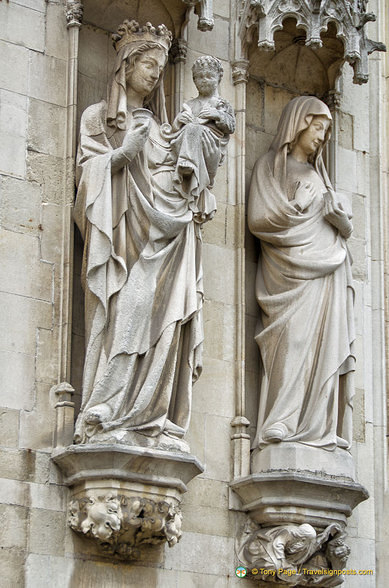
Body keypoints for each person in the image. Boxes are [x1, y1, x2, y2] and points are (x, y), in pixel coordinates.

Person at [73, 20, 220, 450]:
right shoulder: (99, 117)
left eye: (160, 66)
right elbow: (86, 179)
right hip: (124, 239)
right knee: (127, 308)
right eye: (148, 64)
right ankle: (108, 405)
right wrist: (121, 155)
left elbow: (178, 173)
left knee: (163, 319)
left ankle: (151, 413)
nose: (155, 74)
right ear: (126, 65)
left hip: (168, 236)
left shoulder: (162, 127)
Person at [248, 96, 355, 452]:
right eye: (318, 128)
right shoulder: (269, 168)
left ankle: (318, 424)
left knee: (320, 347)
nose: (322, 138)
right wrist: (298, 206)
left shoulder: (316, 176)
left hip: (327, 272)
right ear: (298, 125)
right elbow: (258, 221)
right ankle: (282, 418)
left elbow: (338, 224)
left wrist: (339, 221)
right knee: (292, 341)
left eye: (326, 132)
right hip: (287, 274)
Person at [162, 55, 235, 222]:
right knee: (190, 129)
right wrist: (178, 122)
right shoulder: (190, 104)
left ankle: (187, 163)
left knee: (194, 129)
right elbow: (173, 131)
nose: (204, 80)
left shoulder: (221, 104)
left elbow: (231, 125)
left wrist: (217, 115)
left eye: (209, 76)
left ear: (218, 78)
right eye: (199, 77)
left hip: (210, 144)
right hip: (189, 139)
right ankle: (186, 163)